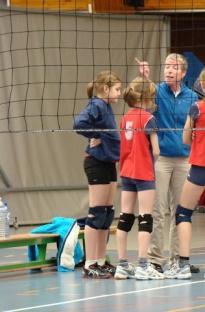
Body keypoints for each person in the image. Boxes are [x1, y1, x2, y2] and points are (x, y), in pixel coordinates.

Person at [163, 65, 205, 280]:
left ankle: (183, 265)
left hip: (201, 165)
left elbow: (185, 139)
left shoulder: (197, 108)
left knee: (183, 212)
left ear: (201, 84)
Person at [135, 54, 199, 273]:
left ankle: (177, 259)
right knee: (158, 209)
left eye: (174, 68)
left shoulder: (192, 98)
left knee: (179, 210)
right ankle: (154, 258)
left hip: (184, 159)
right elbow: (143, 95)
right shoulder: (157, 91)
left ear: (183, 73)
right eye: (166, 67)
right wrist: (144, 77)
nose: (169, 71)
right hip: (161, 159)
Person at [114, 77, 165, 280]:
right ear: (148, 97)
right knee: (145, 216)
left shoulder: (125, 117)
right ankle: (143, 266)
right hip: (144, 173)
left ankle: (122, 265)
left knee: (125, 216)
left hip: (127, 172)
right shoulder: (148, 118)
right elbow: (156, 150)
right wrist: (150, 160)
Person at [73, 71, 122, 279]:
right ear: (105, 89)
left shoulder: (106, 106)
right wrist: (96, 135)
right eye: (117, 89)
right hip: (96, 163)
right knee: (97, 213)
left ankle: (101, 261)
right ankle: (90, 263)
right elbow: (79, 124)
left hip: (108, 162)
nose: (119, 93)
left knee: (107, 213)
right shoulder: (97, 104)